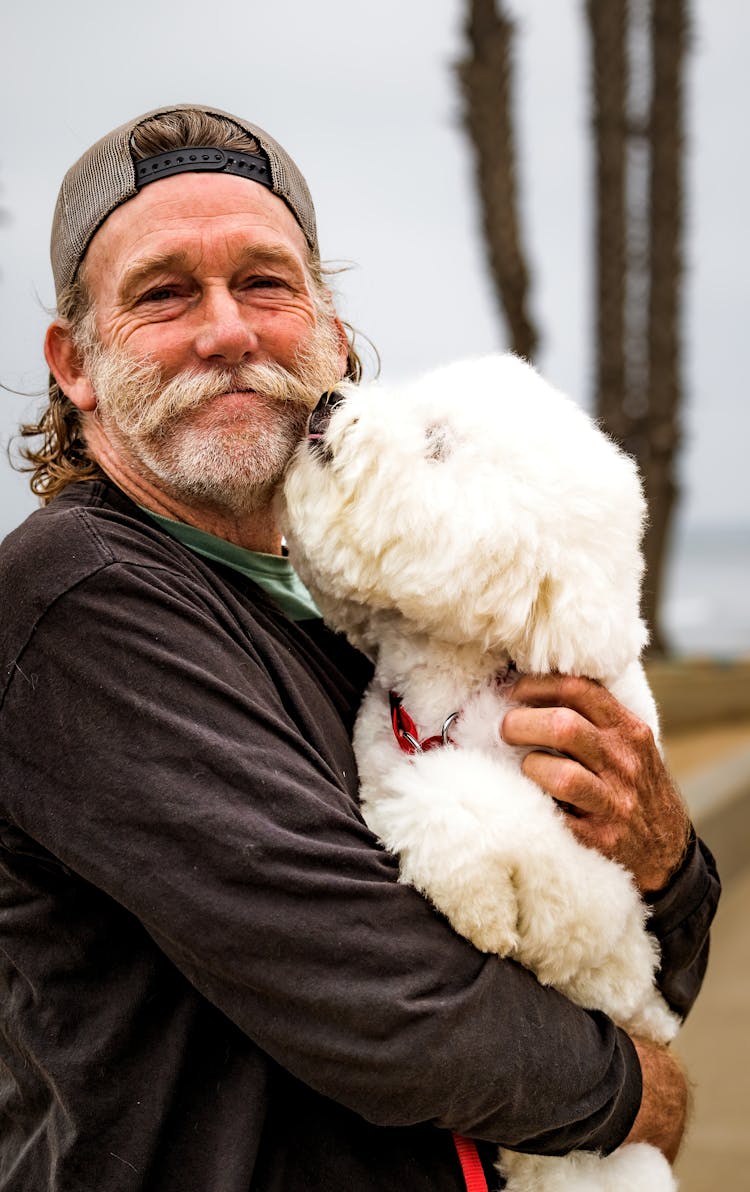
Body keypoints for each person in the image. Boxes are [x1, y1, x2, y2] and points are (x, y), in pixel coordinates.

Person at [0, 103, 719, 1192]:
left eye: (265, 281)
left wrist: (663, 859)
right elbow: (388, 1005)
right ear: (75, 365)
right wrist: (638, 1094)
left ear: (329, 330)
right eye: (163, 293)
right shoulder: (83, 598)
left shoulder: (364, 624)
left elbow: (637, 954)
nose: (228, 329)